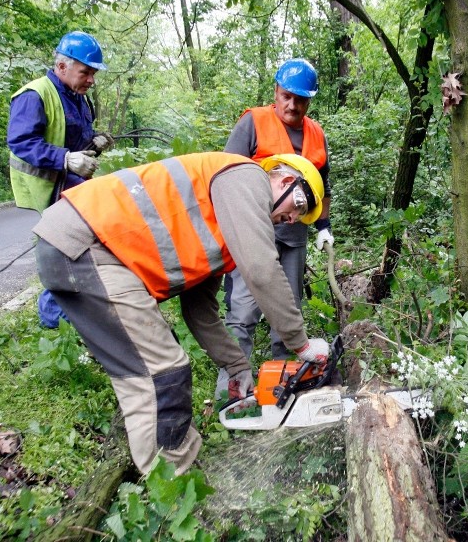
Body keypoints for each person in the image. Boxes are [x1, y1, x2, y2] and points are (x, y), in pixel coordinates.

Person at [32, 152, 331, 475]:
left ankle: (168, 468)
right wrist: (300, 343)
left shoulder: (223, 223)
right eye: (298, 206)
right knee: (162, 373)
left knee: (154, 366)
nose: (291, 220)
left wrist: (236, 366)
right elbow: (261, 268)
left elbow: (199, 309)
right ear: (286, 181)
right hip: (88, 244)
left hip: (96, 250)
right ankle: (171, 490)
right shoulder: (246, 177)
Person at [219, 58, 333, 395]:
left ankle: (283, 387)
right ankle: (230, 392)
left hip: (294, 235)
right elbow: (225, 176)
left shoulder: (316, 133)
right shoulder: (253, 122)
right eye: (287, 96)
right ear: (276, 92)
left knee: (289, 308)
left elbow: (323, 187)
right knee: (242, 310)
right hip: (252, 232)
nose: (292, 105)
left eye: (300, 99)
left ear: (309, 100)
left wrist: (324, 227)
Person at [7, 30, 115, 329]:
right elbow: (22, 142)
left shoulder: (77, 97)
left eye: (93, 73)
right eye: (86, 72)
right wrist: (66, 160)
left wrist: (95, 143)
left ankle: (75, 316)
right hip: (48, 186)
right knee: (65, 250)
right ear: (62, 66)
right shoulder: (35, 94)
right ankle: (56, 325)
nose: (91, 79)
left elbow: (76, 144)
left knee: (81, 247)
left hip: (70, 186)